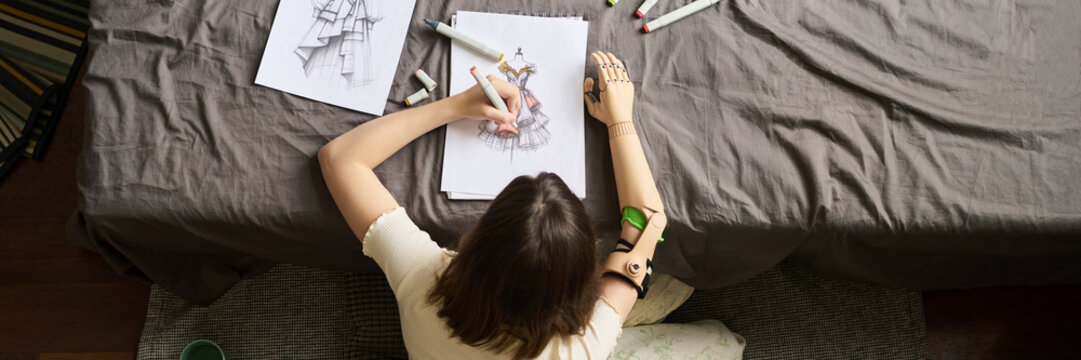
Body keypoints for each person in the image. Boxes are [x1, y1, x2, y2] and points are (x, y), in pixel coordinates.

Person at [319, 52, 664, 359]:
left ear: (478, 239)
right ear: (580, 281)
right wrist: (620, 120)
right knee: (680, 298)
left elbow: (341, 159)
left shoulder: (422, 278)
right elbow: (648, 224)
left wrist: (457, 105)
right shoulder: (582, 347)